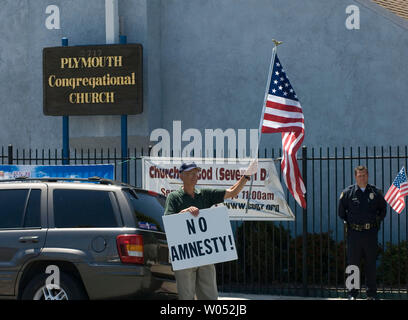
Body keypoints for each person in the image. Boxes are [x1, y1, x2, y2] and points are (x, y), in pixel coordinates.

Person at [164, 160, 256, 300]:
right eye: (190, 173)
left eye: (196, 173)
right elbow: (169, 221)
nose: (195, 176)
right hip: (185, 255)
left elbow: (232, 192)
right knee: (186, 296)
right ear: (181, 176)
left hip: (204, 254)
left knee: (210, 296)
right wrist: (185, 212)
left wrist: (246, 176)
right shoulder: (174, 197)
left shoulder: (205, 194)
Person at [338, 165, 386, 300]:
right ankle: (352, 294)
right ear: (355, 177)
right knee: (353, 264)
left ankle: (371, 294)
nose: (362, 178)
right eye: (359, 175)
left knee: (371, 263)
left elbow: (383, 210)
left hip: (370, 233)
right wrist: (352, 225)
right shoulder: (348, 193)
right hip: (354, 234)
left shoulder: (376, 193)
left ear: (368, 175)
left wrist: (375, 224)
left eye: (364, 175)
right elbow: (341, 213)